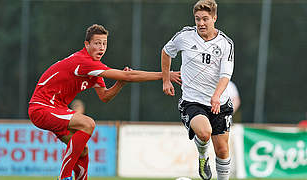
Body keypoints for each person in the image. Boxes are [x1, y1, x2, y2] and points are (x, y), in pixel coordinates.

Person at [28, 24, 181, 180]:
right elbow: (129, 76)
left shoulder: (94, 68)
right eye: (97, 43)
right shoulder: (85, 62)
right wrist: (165, 75)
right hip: (42, 109)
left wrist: (119, 83)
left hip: (56, 109)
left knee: (83, 150)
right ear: (87, 44)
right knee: (88, 123)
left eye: (104, 44)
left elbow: (105, 96)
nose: (101, 47)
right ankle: (65, 176)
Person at [161, 0, 234, 180]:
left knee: (222, 149)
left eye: (205, 19)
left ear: (214, 18)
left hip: (220, 102)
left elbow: (226, 74)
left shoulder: (225, 43)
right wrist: (166, 79)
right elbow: (166, 52)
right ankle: (203, 156)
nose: (201, 23)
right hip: (193, 101)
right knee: (204, 132)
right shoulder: (184, 36)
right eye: (197, 19)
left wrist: (217, 96)